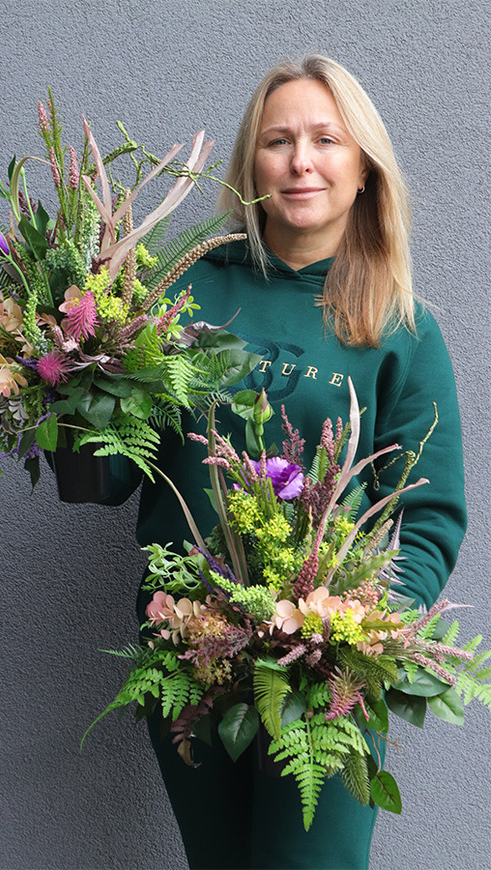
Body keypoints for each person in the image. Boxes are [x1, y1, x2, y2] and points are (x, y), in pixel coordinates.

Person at [134, 55, 467, 870]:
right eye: (278, 141)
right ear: (251, 165)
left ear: (364, 170)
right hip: (188, 648)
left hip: (323, 668)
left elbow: (429, 515)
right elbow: (119, 475)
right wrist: (60, 393)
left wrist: (361, 629)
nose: (301, 160)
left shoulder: (401, 324)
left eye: (327, 139)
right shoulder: (183, 290)